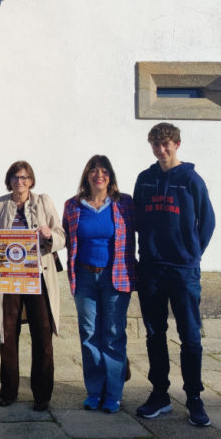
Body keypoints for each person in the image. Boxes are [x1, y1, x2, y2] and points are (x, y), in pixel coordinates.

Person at [133, 123, 215, 426]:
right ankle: (160, 394)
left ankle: (194, 396)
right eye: (155, 144)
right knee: (155, 334)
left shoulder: (191, 179)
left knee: (190, 336)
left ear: (177, 144)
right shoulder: (145, 180)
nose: (161, 149)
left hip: (183, 271)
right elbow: (138, 220)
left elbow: (206, 221)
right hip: (152, 269)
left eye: (166, 143)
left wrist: (191, 254)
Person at [0, 161, 64, 412]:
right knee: (7, 334)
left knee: (42, 333)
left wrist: (49, 234)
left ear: (31, 180)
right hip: (8, 277)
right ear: (9, 180)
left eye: (25, 177)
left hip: (37, 275)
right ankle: (8, 390)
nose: (20, 182)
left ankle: (42, 393)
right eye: (15, 177)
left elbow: (61, 234)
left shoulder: (43, 202)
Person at [62, 155, 136, 414]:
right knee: (89, 334)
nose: (99, 175)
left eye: (104, 171)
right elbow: (63, 238)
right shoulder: (72, 206)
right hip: (84, 277)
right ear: (87, 176)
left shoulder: (124, 203)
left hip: (115, 276)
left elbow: (146, 229)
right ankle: (94, 391)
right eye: (94, 171)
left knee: (114, 334)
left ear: (110, 176)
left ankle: (114, 394)